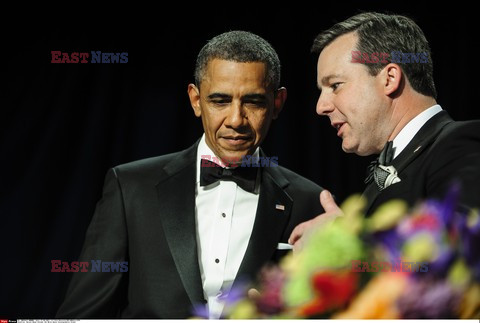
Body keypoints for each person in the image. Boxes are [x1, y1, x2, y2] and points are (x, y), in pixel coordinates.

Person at [56, 31, 324, 319]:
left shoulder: (310, 202)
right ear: (196, 100)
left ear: (278, 104)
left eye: (254, 102)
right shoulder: (130, 188)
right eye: (220, 101)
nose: (236, 120)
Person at [289, 12, 480, 249]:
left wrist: (345, 241)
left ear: (389, 78)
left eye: (335, 85)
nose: (321, 107)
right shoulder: (388, 169)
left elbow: (462, 249)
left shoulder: (462, 144)